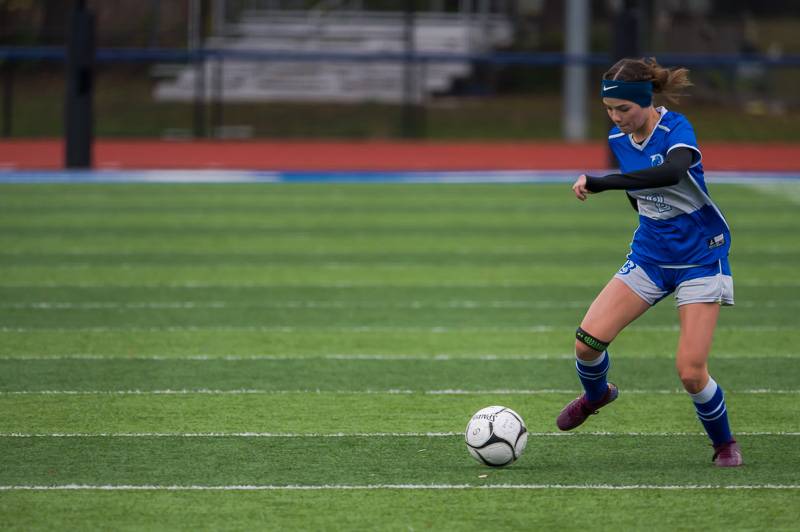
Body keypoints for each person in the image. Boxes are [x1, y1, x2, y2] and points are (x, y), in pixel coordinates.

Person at [556, 57, 742, 467]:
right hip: (650, 258)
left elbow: (672, 173)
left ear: (646, 101)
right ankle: (596, 396)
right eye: (609, 109)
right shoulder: (619, 140)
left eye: (624, 109)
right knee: (586, 344)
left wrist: (601, 182)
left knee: (691, 373)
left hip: (699, 259)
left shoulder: (676, 129)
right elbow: (641, 198)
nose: (616, 118)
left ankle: (724, 444)